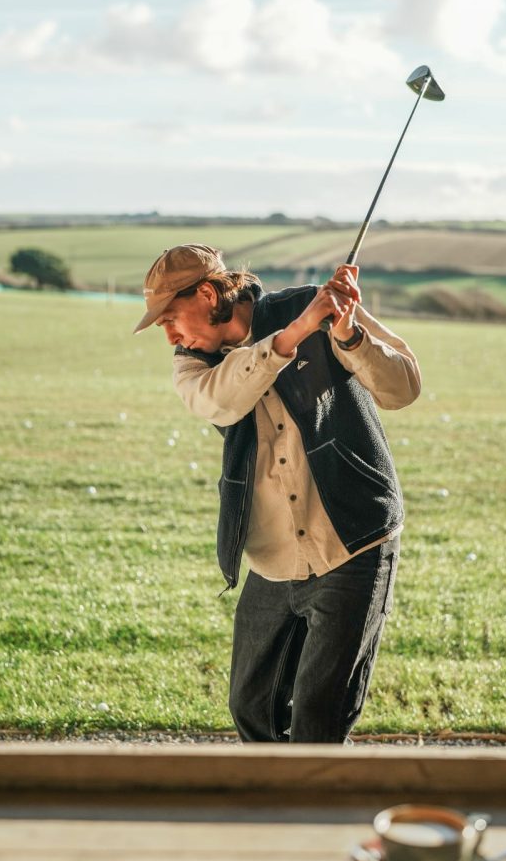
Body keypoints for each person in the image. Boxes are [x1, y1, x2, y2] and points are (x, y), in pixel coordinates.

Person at [133, 243, 421, 744]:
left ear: (206, 294)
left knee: (318, 717)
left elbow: (404, 388)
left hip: (353, 541)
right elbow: (218, 402)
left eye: (169, 318)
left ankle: (316, 811)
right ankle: (274, 808)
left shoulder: (317, 305)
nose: (169, 335)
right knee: (251, 708)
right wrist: (291, 338)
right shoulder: (192, 364)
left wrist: (348, 334)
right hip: (272, 557)